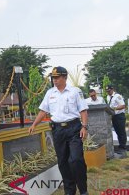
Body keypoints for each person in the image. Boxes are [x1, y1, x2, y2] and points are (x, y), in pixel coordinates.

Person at [28, 66, 89, 195]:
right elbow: (43, 111)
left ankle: (83, 190)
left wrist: (84, 126)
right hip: (58, 131)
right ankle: (69, 191)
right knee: (63, 162)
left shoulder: (75, 91)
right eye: (53, 78)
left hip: (74, 129)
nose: (54, 80)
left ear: (65, 77)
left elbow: (83, 110)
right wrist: (34, 124)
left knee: (76, 159)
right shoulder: (50, 93)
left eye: (57, 77)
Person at [106, 85, 127, 156]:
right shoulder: (108, 97)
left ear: (112, 89)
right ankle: (121, 146)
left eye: (109, 91)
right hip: (114, 116)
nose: (108, 92)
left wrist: (113, 108)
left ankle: (123, 147)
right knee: (117, 132)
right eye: (107, 91)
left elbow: (123, 105)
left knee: (121, 132)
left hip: (120, 116)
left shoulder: (117, 96)